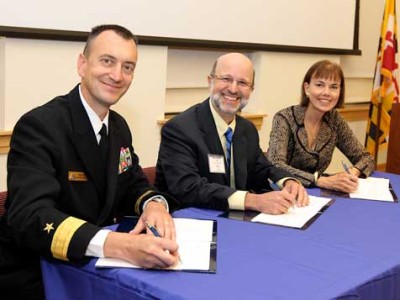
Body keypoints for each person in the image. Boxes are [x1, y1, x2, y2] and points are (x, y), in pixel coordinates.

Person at [0, 24, 180, 299]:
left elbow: (131, 183)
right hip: (40, 273)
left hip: (96, 267)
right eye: (107, 61)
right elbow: (30, 216)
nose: (117, 75)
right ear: (82, 64)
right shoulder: (40, 126)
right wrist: (117, 245)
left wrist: (153, 204)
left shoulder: (118, 127)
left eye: (128, 67)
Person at [155, 53, 308, 215]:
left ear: (251, 90)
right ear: (210, 81)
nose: (233, 89)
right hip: (193, 223)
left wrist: (287, 181)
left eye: (242, 82)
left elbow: (262, 169)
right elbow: (187, 188)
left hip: (236, 221)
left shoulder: (247, 129)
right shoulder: (179, 129)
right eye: (226, 79)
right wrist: (252, 200)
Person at [267, 60, 375, 193]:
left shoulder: (335, 120)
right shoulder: (284, 118)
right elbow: (275, 165)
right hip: (279, 192)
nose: (326, 92)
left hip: (317, 195)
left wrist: (353, 172)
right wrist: (320, 180)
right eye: (319, 85)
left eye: (334, 87)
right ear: (307, 88)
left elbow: (366, 158)